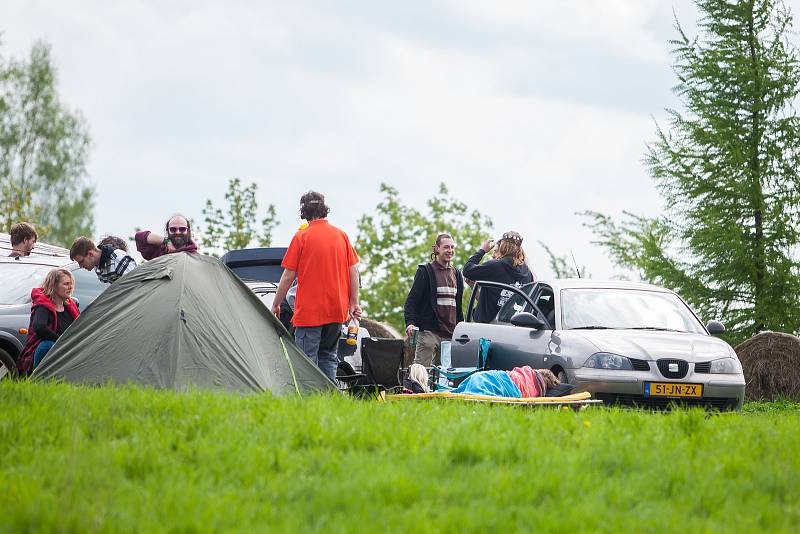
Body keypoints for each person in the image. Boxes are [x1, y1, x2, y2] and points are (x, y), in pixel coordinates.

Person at [271, 191, 361, 382]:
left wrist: (276, 303)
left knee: (306, 361)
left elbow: (288, 276)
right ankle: (328, 401)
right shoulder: (341, 236)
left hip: (309, 313)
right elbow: (353, 271)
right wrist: (354, 303)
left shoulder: (302, 237)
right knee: (328, 357)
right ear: (324, 209)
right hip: (337, 311)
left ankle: (308, 404)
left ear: (303, 212)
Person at [403, 233, 465, 367]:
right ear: (437, 249)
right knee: (421, 371)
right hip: (429, 332)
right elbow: (411, 301)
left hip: (450, 334)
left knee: (445, 376)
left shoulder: (457, 274)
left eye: (452, 247)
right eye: (446, 247)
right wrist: (410, 323)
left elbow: (458, 306)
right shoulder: (425, 271)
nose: (450, 250)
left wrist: (461, 328)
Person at [17, 268, 80, 375]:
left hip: (68, 349)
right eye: (66, 284)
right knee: (47, 344)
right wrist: (61, 341)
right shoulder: (43, 306)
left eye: (71, 284)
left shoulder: (71, 306)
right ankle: (39, 378)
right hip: (47, 350)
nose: (70, 287)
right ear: (54, 286)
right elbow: (39, 327)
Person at [462, 231, 533, 323]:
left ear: (503, 247)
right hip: (514, 326)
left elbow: (467, 270)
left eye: (495, 251)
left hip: (488, 327)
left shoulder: (496, 266)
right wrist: (473, 286)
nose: (492, 255)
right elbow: (493, 301)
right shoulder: (527, 272)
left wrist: (482, 250)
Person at [69, 236, 137, 284]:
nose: (80, 266)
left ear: (90, 254)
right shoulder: (97, 265)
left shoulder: (118, 260)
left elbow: (136, 285)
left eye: (81, 262)